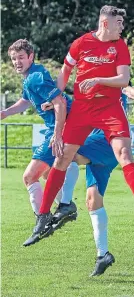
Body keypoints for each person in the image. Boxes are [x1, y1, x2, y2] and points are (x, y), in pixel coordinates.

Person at [25, 5, 134, 245]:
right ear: (105, 23)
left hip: (110, 108)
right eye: (119, 23)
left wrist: (97, 79)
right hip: (83, 110)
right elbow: (65, 71)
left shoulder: (120, 46)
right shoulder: (81, 43)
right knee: (61, 158)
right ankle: (43, 217)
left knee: (124, 151)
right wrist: (56, 96)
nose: (122, 27)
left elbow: (124, 80)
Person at [41, 85, 134, 276]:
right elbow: (71, 105)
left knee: (67, 156)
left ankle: (66, 205)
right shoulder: (86, 88)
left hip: (108, 141)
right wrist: (55, 103)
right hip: (95, 144)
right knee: (92, 201)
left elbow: (128, 89)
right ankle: (103, 255)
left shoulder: (112, 82)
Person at [1, 39, 80, 223]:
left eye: (21, 57)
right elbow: (26, 101)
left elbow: (60, 103)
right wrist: (5, 113)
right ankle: (65, 206)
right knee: (47, 173)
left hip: (61, 127)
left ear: (31, 57)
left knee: (29, 177)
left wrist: (57, 134)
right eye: (13, 59)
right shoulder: (31, 77)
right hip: (60, 127)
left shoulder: (35, 77)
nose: (17, 62)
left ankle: (43, 218)